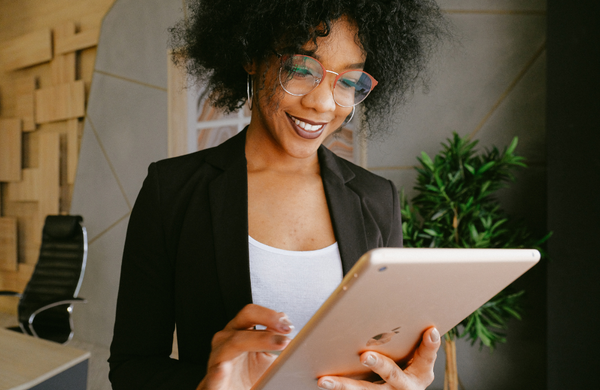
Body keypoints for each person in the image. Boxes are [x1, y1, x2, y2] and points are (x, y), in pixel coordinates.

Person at [108, 1, 447, 389]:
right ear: (252, 55)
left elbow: (385, 354)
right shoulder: (172, 191)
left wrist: (403, 382)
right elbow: (131, 368)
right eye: (301, 70)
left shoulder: (376, 199)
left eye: (348, 82)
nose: (322, 103)